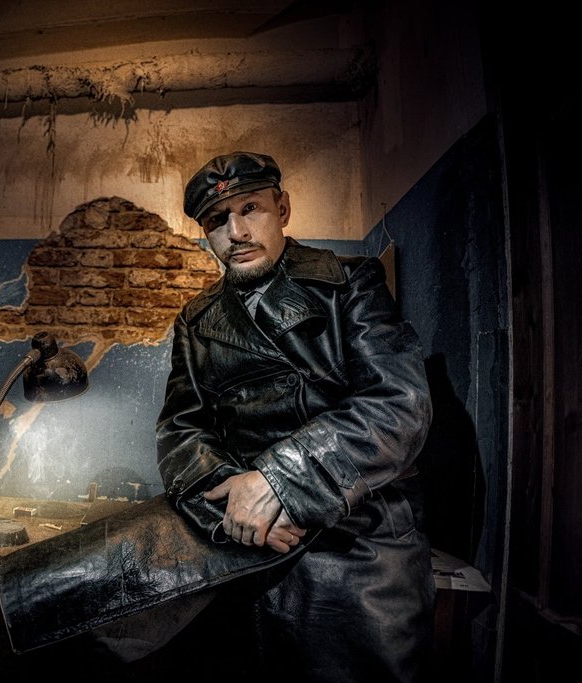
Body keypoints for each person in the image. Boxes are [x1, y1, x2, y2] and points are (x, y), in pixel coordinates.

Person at [153, 151, 436, 681]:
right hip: (243, 548)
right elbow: (181, 429)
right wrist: (232, 504)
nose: (237, 232)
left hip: (356, 552)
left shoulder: (350, 283)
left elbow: (398, 404)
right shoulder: (195, 321)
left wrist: (280, 481)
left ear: (282, 209)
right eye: (217, 220)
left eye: (251, 208)